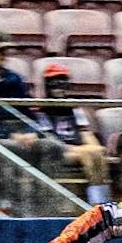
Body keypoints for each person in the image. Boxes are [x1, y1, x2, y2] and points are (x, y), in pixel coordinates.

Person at [28, 61, 112, 203]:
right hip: (54, 152)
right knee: (89, 154)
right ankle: (98, 204)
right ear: (47, 86)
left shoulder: (75, 110)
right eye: (55, 83)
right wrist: (85, 150)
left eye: (63, 83)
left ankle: (101, 203)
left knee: (97, 154)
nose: (59, 88)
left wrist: (95, 148)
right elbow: (50, 142)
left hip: (77, 149)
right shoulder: (40, 111)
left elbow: (88, 136)